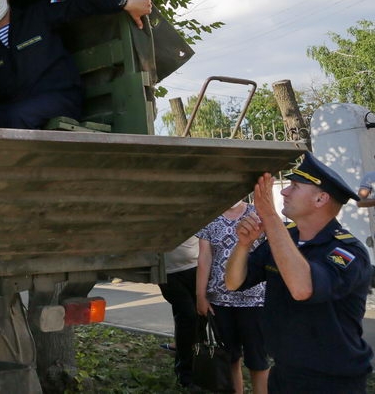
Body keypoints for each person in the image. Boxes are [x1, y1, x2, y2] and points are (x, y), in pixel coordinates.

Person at [225, 153, 373, 393]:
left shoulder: (346, 251)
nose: (284, 192)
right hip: (284, 374)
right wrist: (243, 245)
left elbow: (303, 288)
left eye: (294, 186)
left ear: (320, 199)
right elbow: (233, 283)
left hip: (332, 381)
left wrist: (270, 216)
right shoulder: (286, 236)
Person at [0, 0, 153, 129]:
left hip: (59, 98)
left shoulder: (37, 15)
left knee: (14, 117)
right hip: (18, 106)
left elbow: (77, 1)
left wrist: (123, 2)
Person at [196, 201, 269, 393]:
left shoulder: (258, 212)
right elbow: (204, 256)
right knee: (229, 357)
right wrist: (200, 295)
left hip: (255, 299)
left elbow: (272, 249)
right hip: (220, 300)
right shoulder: (210, 216)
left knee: (258, 360)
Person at [158, 236, 200, 390]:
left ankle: (199, 368)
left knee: (197, 319)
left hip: (196, 267)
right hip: (167, 273)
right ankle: (185, 375)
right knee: (188, 316)